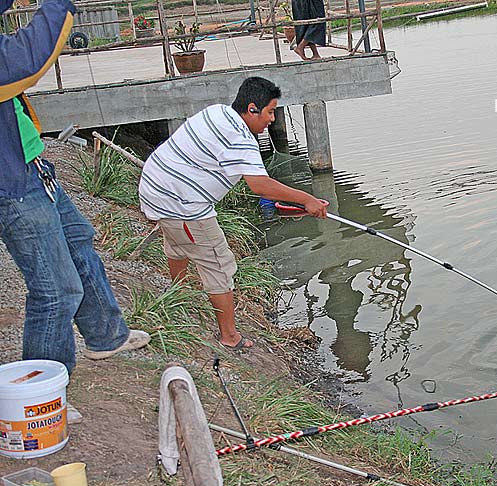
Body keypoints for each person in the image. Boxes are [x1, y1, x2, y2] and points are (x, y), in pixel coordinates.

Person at [0, 0, 151, 401]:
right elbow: (27, 58)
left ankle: (106, 336)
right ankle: (43, 397)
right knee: (56, 289)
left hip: (29, 165)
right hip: (10, 186)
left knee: (79, 241)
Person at [139, 77, 327, 349]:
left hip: (155, 188)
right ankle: (229, 337)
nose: (272, 120)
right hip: (181, 204)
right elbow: (260, 186)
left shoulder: (217, 112)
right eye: (270, 112)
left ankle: (177, 293)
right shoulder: (242, 139)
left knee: (177, 243)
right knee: (219, 264)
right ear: (252, 109)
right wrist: (307, 199)